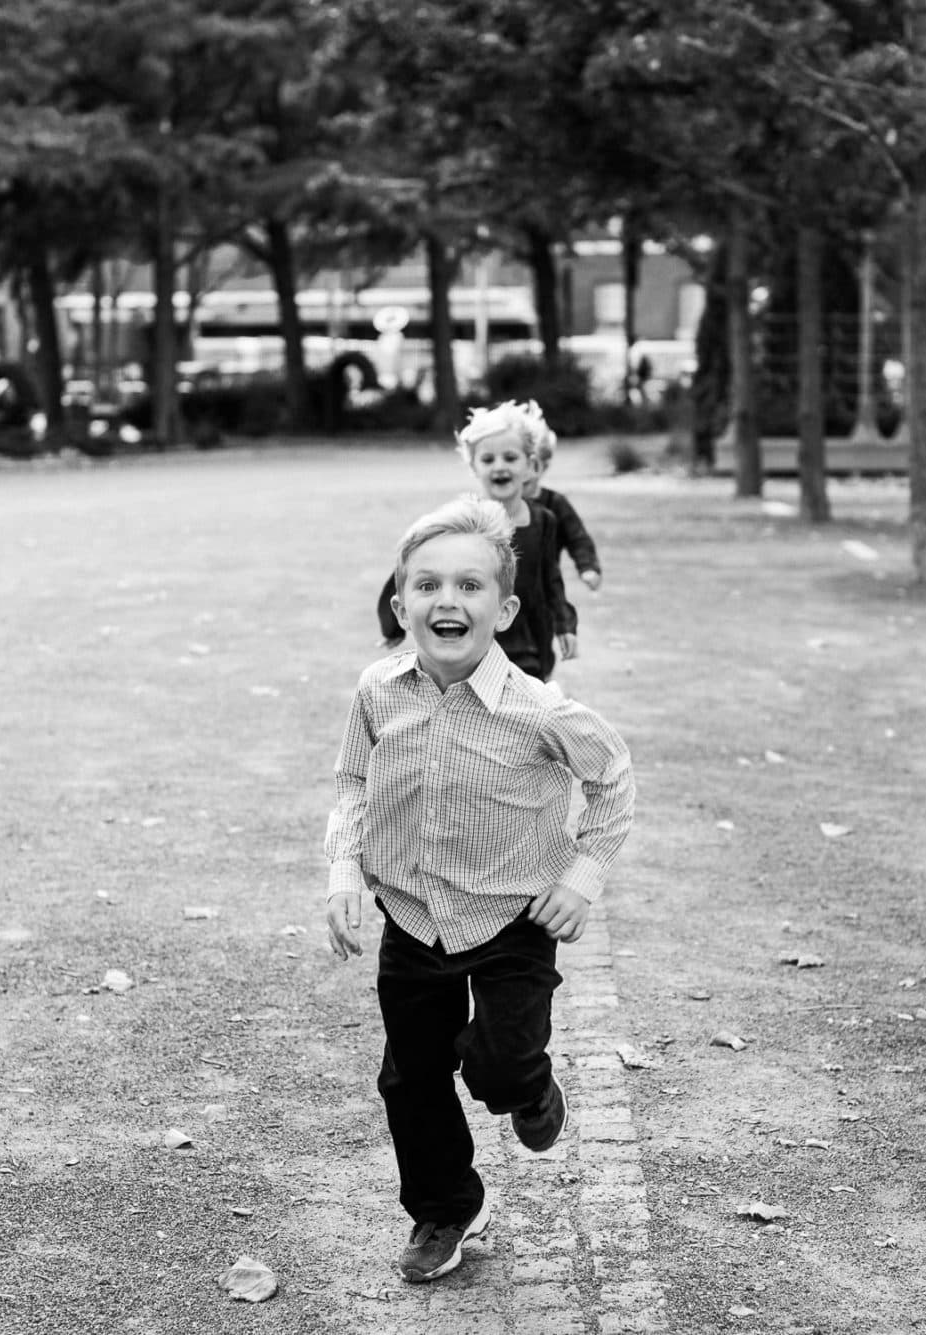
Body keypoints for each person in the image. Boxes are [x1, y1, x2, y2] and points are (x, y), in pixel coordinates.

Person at [325, 495, 636, 1285]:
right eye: (426, 585)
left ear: (505, 606)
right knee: (410, 1074)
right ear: (400, 604)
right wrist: (343, 870)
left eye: (469, 586)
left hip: (512, 916)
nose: (447, 601)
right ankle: (444, 1207)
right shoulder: (377, 691)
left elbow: (613, 778)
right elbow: (353, 782)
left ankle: (528, 1088)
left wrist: (583, 875)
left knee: (496, 1067)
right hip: (413, 914)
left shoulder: (539, 709)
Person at [375, 401, 576, 679]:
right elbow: (412, 569)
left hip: (529, 644)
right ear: (474, 467)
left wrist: (565, 624)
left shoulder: (544, 522)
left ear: (531, 466)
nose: (499, 467)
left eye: (510, 457)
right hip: (476, 642)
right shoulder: (464, 525)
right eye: (488, 459)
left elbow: (552, 580)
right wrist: (393, 626)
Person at [520, 414, 604, 594]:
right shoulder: (494, 507)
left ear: (543, 466)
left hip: (547, 592)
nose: (523, 472)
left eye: (532, 464)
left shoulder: (555, 504)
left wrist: (587, 567)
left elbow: (578, 538)